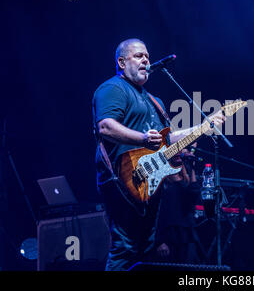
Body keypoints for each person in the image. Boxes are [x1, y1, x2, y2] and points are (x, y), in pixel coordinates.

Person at [92, 38, 225, 271]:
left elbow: (167, 139)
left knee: (145, 249)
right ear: (122, 62)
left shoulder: (155, 101)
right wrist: (142, 139)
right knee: (125, 247)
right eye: (139, 56)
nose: (146, 60)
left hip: (150, 185)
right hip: (123, 179)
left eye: (147, 56)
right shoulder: (113, 88)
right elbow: (105, 127)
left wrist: (203, 128)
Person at [154, 144, 204, 264]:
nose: (179, 153)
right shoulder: (161, 180)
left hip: (186, 234)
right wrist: (160, 240)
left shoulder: (184, 178)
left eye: (181, 151)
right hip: (168, 235)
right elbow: (158, 212)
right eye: (175, 151)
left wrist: (192, 168)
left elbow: (194, 193)